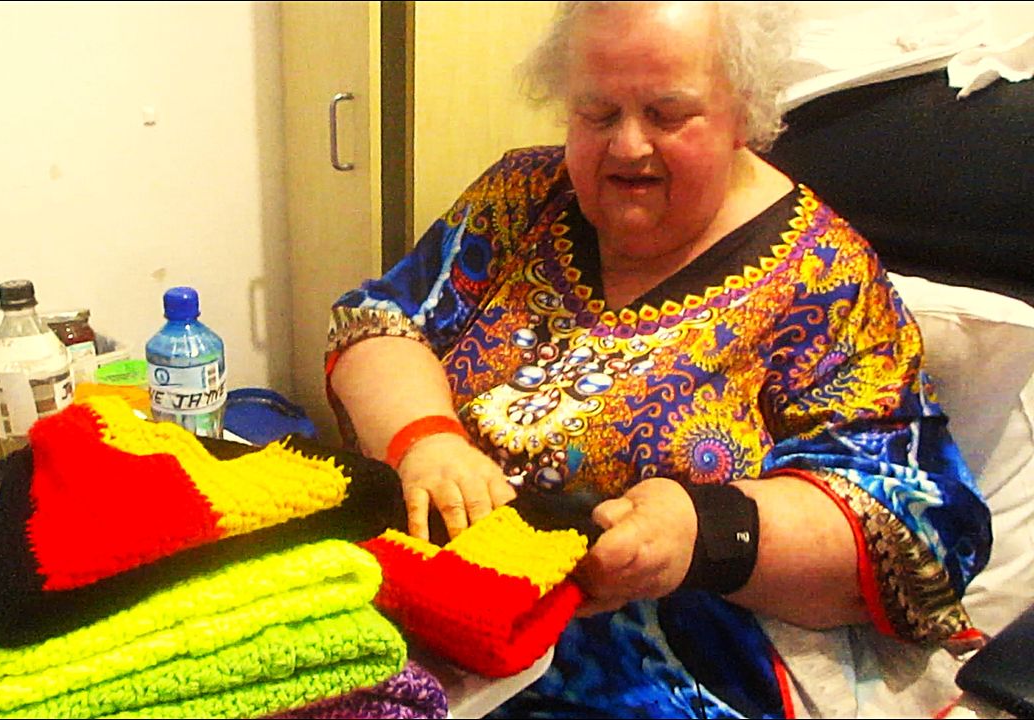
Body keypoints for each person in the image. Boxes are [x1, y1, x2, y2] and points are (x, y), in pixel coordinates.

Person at [326, 1, 994, 717]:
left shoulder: (823, 278)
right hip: (417, 614)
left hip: (639, 675)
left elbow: (914, 530)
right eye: (597, 113)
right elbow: (378, 322)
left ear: (743, 113)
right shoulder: (522, 195)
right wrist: (425, 439)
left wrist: (704, 531)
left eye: (667, 114)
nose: (627, 146)